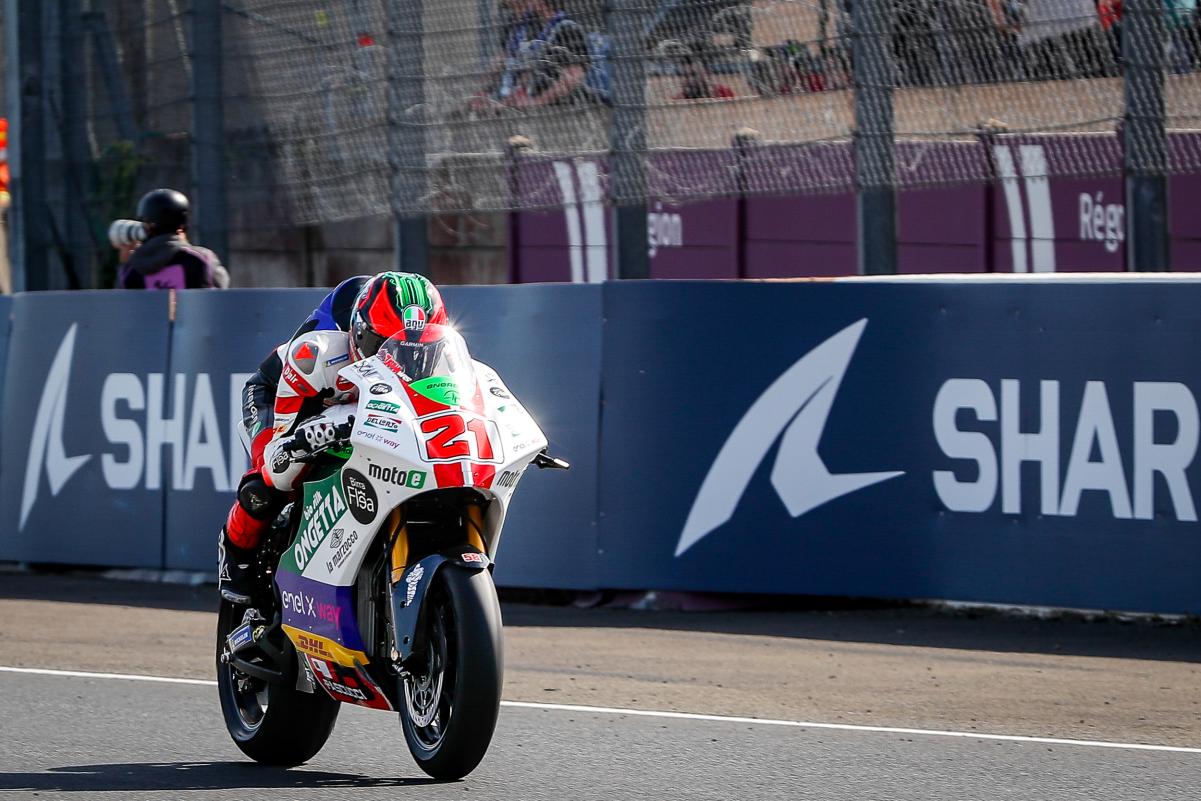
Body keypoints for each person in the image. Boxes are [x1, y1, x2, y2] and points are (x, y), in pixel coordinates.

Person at [218, 271, 448, 604]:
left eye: (419, 350)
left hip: (363, 408)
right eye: (381, 346)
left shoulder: (444, 362)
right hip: (290, 394)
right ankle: (236, 553)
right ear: (358, 332)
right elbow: (281, 453)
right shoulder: (316, 355)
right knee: (273, 480)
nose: (400, 361)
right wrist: (305, 439)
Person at [117, 188, 229, 289]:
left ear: (146, 226)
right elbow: (221, 291)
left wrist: (124, 265)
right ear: (183, 224)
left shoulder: (132, 269)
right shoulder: (201, 259)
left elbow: (122, 299)